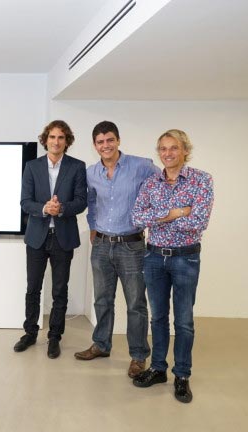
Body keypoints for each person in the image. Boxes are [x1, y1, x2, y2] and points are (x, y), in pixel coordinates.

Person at [131, 129, 214, 403]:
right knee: (158, 318)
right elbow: (137, 218)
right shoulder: (151, 182)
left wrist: (158, 219)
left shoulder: (201, 180)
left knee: (184, 321)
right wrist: (176, 213)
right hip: (154, 257)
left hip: (185, 258)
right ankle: (158, 369)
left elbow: (198, 222)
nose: (168, 153)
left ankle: (182, 375)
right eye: (163, 149)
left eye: (174, 148)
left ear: (185, 151)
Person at [74, 121, 159, 378]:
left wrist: (154, 216)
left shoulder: (141, 166)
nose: (106, 145)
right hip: (101, 245)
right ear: (94, 145)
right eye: (100, 142)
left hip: (131, 245)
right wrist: (92, 228)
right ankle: (101, 345)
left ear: (118, 140)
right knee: (102, 300)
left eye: (110, 140)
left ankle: (138, 355)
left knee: (135, 303)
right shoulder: (91, 173)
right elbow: (91, 202)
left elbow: (162, 186)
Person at [13, 120, 87, 359]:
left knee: (59, 290)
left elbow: (81, 201)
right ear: (45, 140)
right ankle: (30, 333)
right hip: (37, 237)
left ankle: (55, 337)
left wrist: (61, 208)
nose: (56, 142)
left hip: (63, 237)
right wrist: (45, 208)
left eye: (61, 137)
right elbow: (25, 201)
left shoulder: (77, 166)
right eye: (52, 137)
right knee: (33, 288)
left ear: (67, 141)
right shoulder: (32, 166)